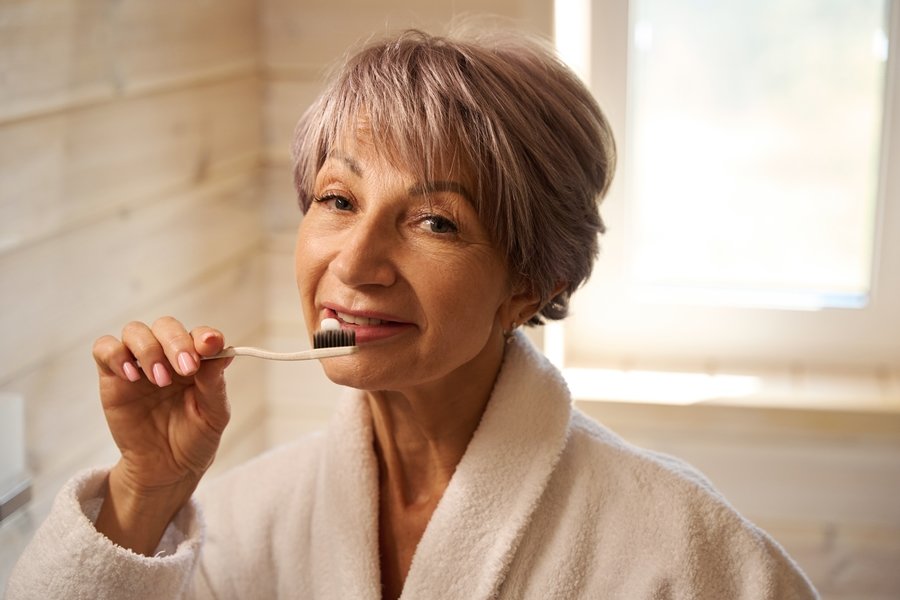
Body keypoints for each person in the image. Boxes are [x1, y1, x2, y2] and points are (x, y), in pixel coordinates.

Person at [7, 27, 818, 600]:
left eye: (435, 221)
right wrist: (145, 490)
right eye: (338, 199)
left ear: (527, 287)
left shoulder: (682, 552)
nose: (355, 262)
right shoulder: (237, 528)